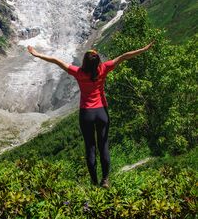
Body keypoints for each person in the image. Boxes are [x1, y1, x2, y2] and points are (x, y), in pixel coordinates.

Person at [27, 42, 153, 188]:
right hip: (101, 112)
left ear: (85, 62)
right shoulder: (104, 68)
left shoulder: (79, 72)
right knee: (103, 146)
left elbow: (57, 61)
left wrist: (37, 54)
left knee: (90, 148)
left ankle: (94, 183)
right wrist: (143, 49)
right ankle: (105, 180)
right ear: (98, 61)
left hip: (86, 113)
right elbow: (124, 57)